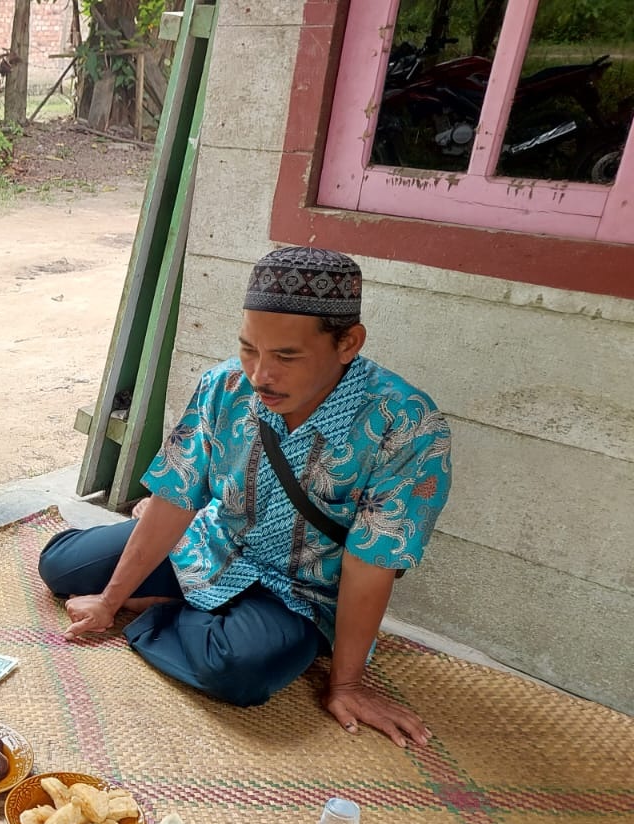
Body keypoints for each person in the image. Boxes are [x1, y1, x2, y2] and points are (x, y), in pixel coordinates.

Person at [39, 247, 452, 747]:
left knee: (237, 670)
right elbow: (176, 497)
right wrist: (108, 601)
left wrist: (346, 684)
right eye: (249, 349)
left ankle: (162, 606)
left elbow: (372, 562)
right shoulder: (224, 386)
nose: (260, 375)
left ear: (348, 343)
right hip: (208, 542)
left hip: (300, 592)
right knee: (60, 568)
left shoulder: (406, 425)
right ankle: (171, 600)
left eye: (286, 356)